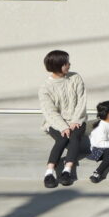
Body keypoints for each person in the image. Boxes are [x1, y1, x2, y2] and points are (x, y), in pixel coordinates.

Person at [39, 48, 90, 188]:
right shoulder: (45, 88)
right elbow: (49, 112)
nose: (69, 65)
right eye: (66, 63)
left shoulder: (75, 78)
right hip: (55, 122)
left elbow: (81, 101)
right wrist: (63, 127)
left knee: (74, 137)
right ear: (58, 66)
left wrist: (75, 121)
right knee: (62, 138)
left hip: (77, 120)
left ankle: (67, 171)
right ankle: (49, 173)